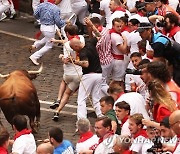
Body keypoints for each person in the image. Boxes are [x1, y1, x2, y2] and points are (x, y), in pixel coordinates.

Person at [50, 24, 83, 121]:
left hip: (69, 72)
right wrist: (56, 41)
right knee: (67, 94)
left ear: (67, 33)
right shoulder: (80, 38)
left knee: (63, 81)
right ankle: (58, 111)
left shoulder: (66, 46)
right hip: (78, 73)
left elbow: (65, 60)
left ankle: (58, 99)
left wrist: (60, 56)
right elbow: (68, 41)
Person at [69, 37, 106, 119]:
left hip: (89, 76)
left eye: (73, 49)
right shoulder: (90, 43)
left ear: (76, 46)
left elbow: (86, 64)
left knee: (81, 99)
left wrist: (74, 61)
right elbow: (97, 37)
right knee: (96, 98)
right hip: (99, 75)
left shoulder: (83, 53)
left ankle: (82, 120)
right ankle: (101, 116)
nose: (75, 51)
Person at [136, 22, 180, 86]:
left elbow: (155, 65)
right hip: (174, 62)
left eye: (142, 32)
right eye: (139, 32)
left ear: (149, 30)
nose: (140, 34)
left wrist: (140, 70)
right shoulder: (156, 37)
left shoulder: (158, 43)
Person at [29, 0, 65, 65]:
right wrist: (65, 22)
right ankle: (34, 56)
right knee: (49, 45)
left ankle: (36, 45)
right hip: (50, 28)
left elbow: (35, 14)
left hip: (42, 26)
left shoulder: (41, 5)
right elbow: (58, 21)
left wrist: (41, 19)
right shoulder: (55, 8)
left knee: (47, 38)